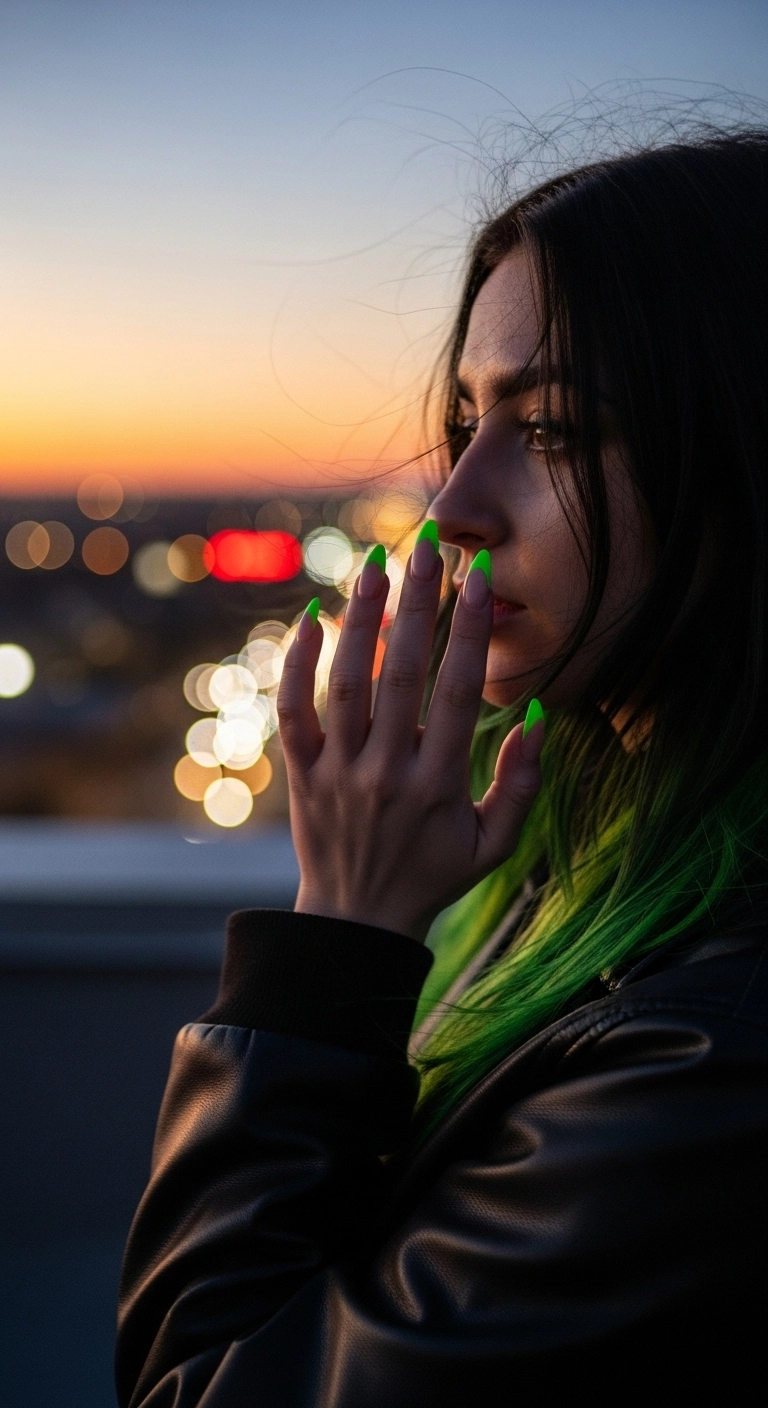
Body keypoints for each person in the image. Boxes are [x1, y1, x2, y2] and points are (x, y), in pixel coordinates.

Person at [116, 129, 767, 1406]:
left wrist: (336, 947)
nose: (454, 506)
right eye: (469, 419)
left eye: (560, 429)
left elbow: (203, 1386)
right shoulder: (575, 853)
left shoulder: (716, 1053)